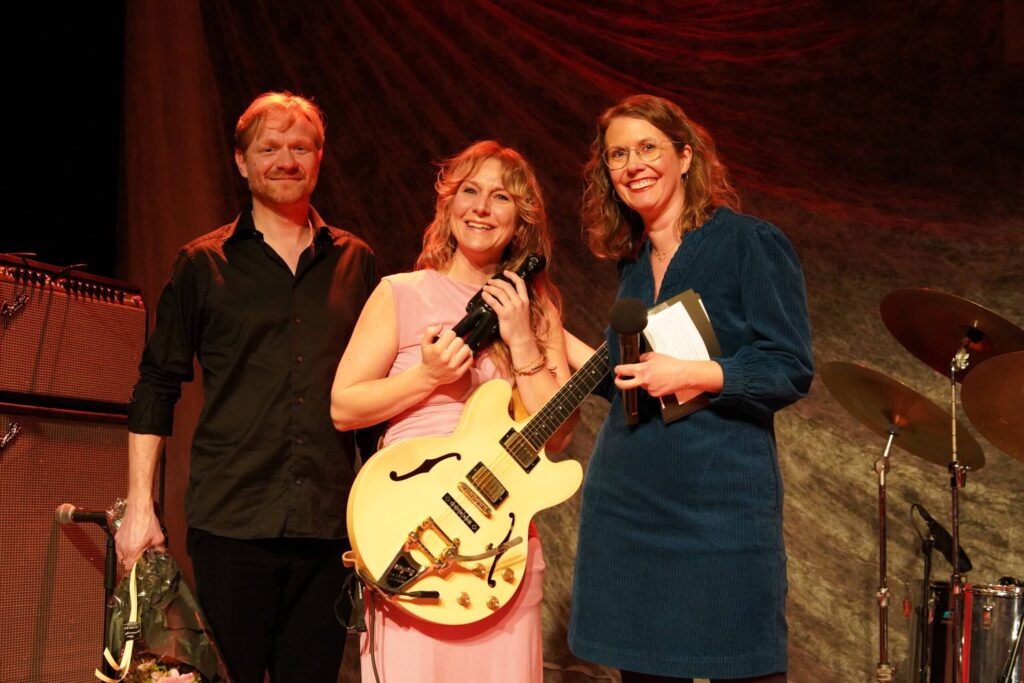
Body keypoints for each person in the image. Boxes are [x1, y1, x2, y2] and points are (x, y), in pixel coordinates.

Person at [115, 91, 377, 683]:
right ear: (241, 161)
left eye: (300, 147)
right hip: (230, 522)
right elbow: (156, 384)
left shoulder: (356, 262)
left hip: (329, 524)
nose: (285, 160)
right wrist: (140, 506)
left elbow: (375, 396)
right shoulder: (200, 265)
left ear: (319, 158)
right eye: (269, 148)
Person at [566, 94, 814, 682]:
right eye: (617, 155)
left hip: (719, 502)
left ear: (684, 154)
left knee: (741, 662)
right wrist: (538, 337)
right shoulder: (632, 266)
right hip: (628, 501)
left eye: (647, 147)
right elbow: (622, 378)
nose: (632, 165)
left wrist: (695, 373)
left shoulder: (749, 242)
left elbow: (789, 366)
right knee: (645, 671)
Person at [331, 140, 575, 682]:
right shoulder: (400, 292)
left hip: (498, 551)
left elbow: (557, 438)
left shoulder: (539, 311)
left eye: (501, 197)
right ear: (448, 204)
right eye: (470, 191)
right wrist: (428, 377)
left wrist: (523, 341)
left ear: (522, 222)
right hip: (413, 532)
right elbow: (343, 406)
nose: (482, 207)